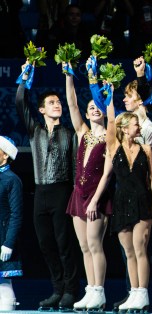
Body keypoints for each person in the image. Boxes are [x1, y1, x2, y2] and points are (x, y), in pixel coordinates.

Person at [15, 61, 79, 311]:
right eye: (51, 102)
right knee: (45, 244)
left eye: (58, 102)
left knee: (65, 244)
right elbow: (20, 102)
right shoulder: (35, 131)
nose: (57, 105)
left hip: (62, 191)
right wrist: (25, 75)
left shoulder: (69, 133)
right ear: (41, 109)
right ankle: (58, 289)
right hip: (40, 192)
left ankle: (71, 291)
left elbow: (75, 167)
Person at [106, 82, 152, 311]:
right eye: (134, 123)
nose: (138, 126)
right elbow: (110, 121)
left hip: (142, 200)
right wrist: (109, 96)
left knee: (140, 248)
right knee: (128, 251)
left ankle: (143, 293)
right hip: (121, 202)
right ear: (124, 127)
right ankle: (134, 292)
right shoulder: (113, 146)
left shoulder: (146, 149)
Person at [64, 65, 113, 311]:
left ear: (104, 112)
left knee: (95, 244)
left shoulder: (109, 137)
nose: (94, 109)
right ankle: (91, 289)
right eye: (91, 107)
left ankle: (100, 291)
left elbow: (106, 173)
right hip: (78, 194)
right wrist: (69, 76)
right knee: (84, 246)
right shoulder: (83, 132)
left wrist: (95, 200)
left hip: (97, 197)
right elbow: (72, 105)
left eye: (98, 107)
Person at [0, 136, 23, 311]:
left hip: (3, 238)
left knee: (4, 285)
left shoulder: (12, 180)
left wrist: (8, 244)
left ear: (5, 155)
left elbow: (16, 214)